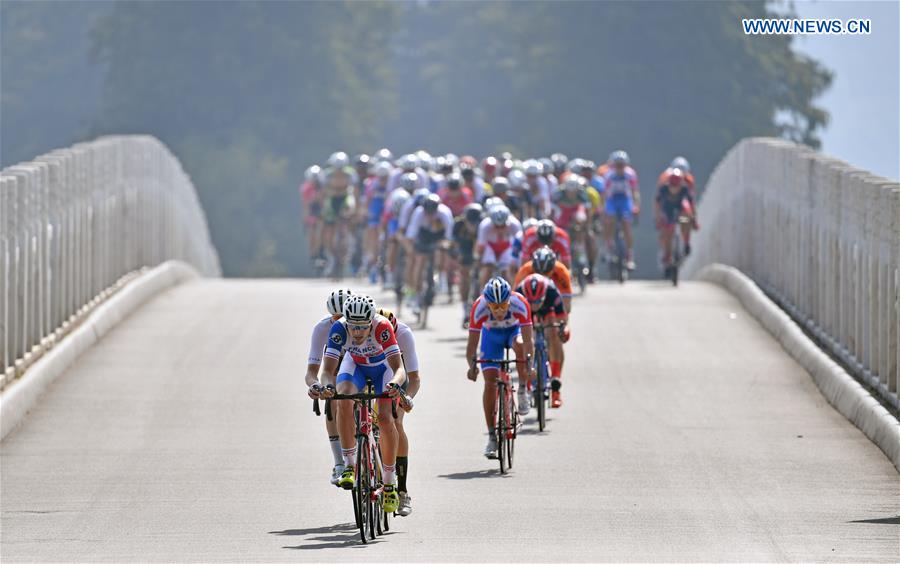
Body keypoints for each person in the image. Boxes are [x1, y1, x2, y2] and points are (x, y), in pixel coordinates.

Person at [318, 295, 406, 513]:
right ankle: (349, 465)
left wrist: (395, 383)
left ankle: (389, 483)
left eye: (362, 327)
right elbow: (327, 371)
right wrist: (327, 386)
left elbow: (399, 369)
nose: (357, 332)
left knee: (385, 418)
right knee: (343, 398)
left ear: (371, 322)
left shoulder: (382, 327)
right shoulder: (339, 329)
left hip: (383, 369)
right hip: (355, 365)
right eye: (353, 327)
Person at [465, 278, 535, 458]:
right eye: (494, 307)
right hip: (491, 337)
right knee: (490, 383)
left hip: (513, 333)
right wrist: (472, 367)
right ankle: (491, 436)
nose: (499, 311)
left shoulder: (520, 303)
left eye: (503, 306)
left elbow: (529, 341)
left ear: (509, 301)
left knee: (521, 346)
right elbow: (471, 346)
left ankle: (522, 390)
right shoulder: (479, 307)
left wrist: (530, 364)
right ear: (487, 303)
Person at [305, 288, 353, 486]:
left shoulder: (360, 324)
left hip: (360, 366)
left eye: (344, 317)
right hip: (333, 368)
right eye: (335, 317)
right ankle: (339, 463)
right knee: (332, 402)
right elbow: (311, 372)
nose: (340, 321)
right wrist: (316, 385)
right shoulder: (322, 328)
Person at [376, 308, 419, 517]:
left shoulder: (404, 334)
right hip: (372, 372)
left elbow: (414, 378)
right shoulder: (365, 331)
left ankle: (402, 491)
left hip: (396, 378)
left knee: (396, 422)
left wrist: (407, 399)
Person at [516, 274, 570, 408]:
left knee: (554, 333)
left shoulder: (552, 292)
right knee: (526, 341)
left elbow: (562, 319)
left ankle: (555, 384)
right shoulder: (519, 293)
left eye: (537, 302)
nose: (535, 306)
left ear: (544, 295)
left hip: (548, 310)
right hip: (526, 313)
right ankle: (528, 384)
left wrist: (563, 330)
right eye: (532, 302)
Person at [405, 194, 454, 311]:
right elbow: (411, 236)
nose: (430, 215)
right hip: (424, 236)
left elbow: (450, 237)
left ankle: (441, 275)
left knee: (442, 250)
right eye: (428, 212)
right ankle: (415, 294)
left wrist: (444, 246)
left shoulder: (444, 213)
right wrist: (412, 252)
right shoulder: (418, 213)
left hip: (439, 235)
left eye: (433, 212)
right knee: (419, 261)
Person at [600, 150, 640, 271]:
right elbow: (604, 194)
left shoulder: (630, 175)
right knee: (609, 220)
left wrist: (636, 206)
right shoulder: (609, 175)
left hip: (625, 200)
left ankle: (629, 254)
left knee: (627, 225)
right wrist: (603, 208)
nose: (620, 168)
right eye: (617, 165)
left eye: (622, 165)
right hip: (612, 200)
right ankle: (608, 245)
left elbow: (634, 192)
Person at [655, 168, 696, 272]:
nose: (674, 189)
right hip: (668, 212)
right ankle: (667, 254)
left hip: (680, 211)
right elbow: (657, 204)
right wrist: (658, 218)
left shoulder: (685, 189)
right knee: (667, 232)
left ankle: (686, 242)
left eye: (676, 186)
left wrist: (693, 219)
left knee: (686, 220)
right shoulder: (663, 189)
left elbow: (691, 205)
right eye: (672, 186)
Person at [452, 203, 484, 325]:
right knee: (464, 275)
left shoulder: (482, 224)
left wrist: (478, 259)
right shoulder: (458, 224)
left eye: (474, 222)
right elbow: (454, 243)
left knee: (482, 272)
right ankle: (465, 306)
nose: (472, 225)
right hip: (464, 248)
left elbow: (481, 244)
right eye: (470, 222)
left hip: (478, 247)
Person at [475, 204, 523, 287]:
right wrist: (479, 260)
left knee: (507, 272)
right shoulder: (485, 226)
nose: (500, 229)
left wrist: (515, 263)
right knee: (487, 270)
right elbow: (481, 246)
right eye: (497, 226)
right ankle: (483, 291)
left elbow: (520, 244)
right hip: (490, 247)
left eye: (503, 226)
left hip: (507, 247)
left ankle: (511, 291)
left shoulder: (515, 225)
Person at [514, 247, 573, 313]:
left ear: (553, 268)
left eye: (546, 273)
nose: (542, 277)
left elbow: (567, 305)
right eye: (538, 272)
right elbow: (515, 297)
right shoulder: (525, 270)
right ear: (533, 267)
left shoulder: (562, 272)